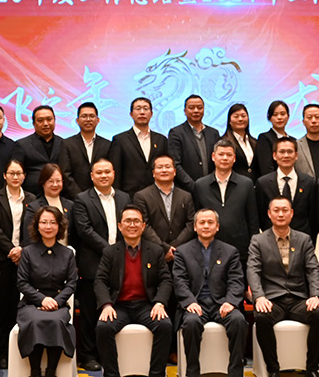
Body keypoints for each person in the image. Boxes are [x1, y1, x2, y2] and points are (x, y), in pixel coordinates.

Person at [248, 196, 319, 377]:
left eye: (285, 210)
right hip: (272, 300)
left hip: (298, 299)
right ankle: (273, 369)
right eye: (276, 210)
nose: (281, 214)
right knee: (261, 317)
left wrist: (315, 295)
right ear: (269, 214)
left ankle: (312, 368)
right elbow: (253, 271)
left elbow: (313, 270)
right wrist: (259, 297)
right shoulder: (258, 240)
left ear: (292, 214)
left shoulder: (304, 239)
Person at [95, 205, 174, 377]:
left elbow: (166, 280)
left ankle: (157, 374)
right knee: (103, 327)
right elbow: (100, 281)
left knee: (165, 326)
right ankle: (111, 375)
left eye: (136, 221)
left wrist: (160, 303)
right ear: (120, 226)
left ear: (143, 226)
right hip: (119, 306)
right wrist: (106, 305)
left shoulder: (155, 251)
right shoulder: (110, 252)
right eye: (128, 221)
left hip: (147, 306)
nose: (132, 225)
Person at [173, 209, 248, 377]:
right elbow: (179, 281)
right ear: (195, 227)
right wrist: (190, 302)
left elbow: (236, 281)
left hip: (222, 303)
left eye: (210, 222)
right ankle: (192, 372)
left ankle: (236, 372)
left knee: (238, 321)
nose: (206, 226)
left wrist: (230, 301)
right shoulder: (182, 252)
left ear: (217, 227)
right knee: (191, 323)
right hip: (196, 303)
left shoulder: (230, 251)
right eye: (202, 222)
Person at [72, 159, 131, 371]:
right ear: (91, 176)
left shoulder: (124, 197)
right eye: (99, 172)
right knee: (90, 312)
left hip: (122, 263)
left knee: (114, 309)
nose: (104, 175)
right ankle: (88, 355)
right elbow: (84, 230)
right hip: (93, 263)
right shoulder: (81, 199)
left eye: (107, 171)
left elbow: (129, 226)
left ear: (114, 173)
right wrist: (110, 251)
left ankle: (109, 354)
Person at [16, 205, 77, 377]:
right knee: (35, 321)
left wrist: (56, 301)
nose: (48, 226)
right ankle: (34, 371)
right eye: (43, 222)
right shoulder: (28, 252)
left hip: (58, 304)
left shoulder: (67, 253)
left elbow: (72, 283)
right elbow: (22, 283)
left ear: (59, 226)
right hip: (31, 304)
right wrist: (41, 300)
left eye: (52, 222)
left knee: (56, 321)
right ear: (37, 225)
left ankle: (51, 371)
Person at [0, 159, 33, 369]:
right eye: (12, 173)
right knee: (2, 307)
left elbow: (33, 228)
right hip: (2, 259)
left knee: (20, 305)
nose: (15, 177)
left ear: (24, 176)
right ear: (5, 175)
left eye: (19, 173)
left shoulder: (31, 199)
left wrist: (22, 248)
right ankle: (1, 352)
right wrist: (11, 250)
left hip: (25, 259)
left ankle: (19, 350)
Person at [191, 139, 259, 262]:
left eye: (229, 155)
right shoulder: (200, 185)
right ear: (213, 157)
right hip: (208, 250)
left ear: (234, 158)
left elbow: (253, 221)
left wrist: (253, 250)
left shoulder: (246, 184)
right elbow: (196, 218)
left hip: (240, 251)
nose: (225, 158)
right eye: (221, 154)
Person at [134, 154, 196, 263]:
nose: (164, 170)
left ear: (175, 171)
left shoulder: (186, 196)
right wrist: (164, 248)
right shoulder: (142, 196)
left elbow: (191, 223)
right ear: (153, 173)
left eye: (168, 167)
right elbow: (144, 225)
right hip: (153, 253)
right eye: (159, 167)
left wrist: (174, 247)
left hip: (181, 253)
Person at [256, 137, 317, 239]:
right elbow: (261, 216)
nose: (286, 155)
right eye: (282, 152)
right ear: (274, 155)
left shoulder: (309, 182)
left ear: (296, 155)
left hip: (302, 240)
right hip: (271, 239)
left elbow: (313, 216)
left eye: (290, 152)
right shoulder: (263, 183)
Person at [110, 97, 169, 196]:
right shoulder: (120, 140)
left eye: (146, 109)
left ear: (151, 114)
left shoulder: (161, 140)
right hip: (129, 195)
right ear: (131, 114)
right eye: (138, 109)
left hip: (158, 195)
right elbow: (116, 172)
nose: (142, 112)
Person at [13, 105, 72, 197]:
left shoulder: (64, 144)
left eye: (49, 119)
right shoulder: (22, 145)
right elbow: (16, 172)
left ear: (54, 120)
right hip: (32, 196)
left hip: (60, 195)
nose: (45, 123)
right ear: (34, 123)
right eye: (40, 120)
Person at [167, 95, 220, 191]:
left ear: (204, 110)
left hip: (212, 188)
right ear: (185, 111)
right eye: (191, 108)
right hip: (186, 190)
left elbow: (218, 161)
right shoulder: (176, 133)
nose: (196, 111)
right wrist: (193, 186)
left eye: (199, 107)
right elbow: (175, 164)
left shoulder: (213, 133)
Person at [25, 163, 78, 248]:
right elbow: (28, 239)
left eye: (58, 181)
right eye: (51, 181)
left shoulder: (70, 205)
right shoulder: (34, 207)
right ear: (43, 183)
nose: (55, 185)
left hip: (66, 253)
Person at [64, 102, 111, 196]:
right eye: (84, 116)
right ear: (77, 120)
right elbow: (65, 174)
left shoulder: (108, 144)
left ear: (98, 120)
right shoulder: (67, 144)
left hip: (102, 195)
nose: (88, 119)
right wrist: (80, 197)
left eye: (92, 116)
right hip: (74, 197)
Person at [255, 100, 292, 178]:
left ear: (288, 116)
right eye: (275, 115)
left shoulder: (293, 140)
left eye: (283, 114)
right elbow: (266, 169)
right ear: (269, 118)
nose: (279, 117)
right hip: (272, 182)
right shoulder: (264, 138)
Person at [224, 102, 259, 178]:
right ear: (229, 121)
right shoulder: (224, 142)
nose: (240, 119)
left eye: (243, 116)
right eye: (236, 116)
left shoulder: (255, 142)